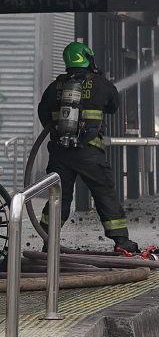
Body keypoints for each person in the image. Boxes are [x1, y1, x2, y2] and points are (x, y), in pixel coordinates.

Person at [36, 41, 139, 253]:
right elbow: (113, 106)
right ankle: (121, 242)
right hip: (89, 152)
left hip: (60, 153)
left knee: (58, 198)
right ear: (86, 58)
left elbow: (43, 115)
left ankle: (48, 242)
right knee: (104, 194)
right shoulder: (99, 83)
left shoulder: (55, 87)